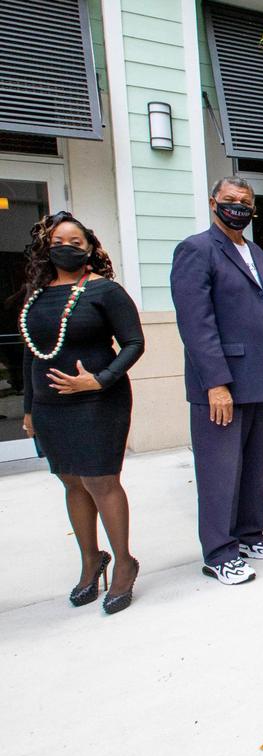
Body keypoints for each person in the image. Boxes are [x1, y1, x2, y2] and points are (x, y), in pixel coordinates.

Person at [20, 212, 143, 614]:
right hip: (50, 406)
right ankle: (92, 560)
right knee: (71, 481)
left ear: (89, 248)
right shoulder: (36, 295)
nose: (67, 247)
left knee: (101, 480)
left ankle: (124, 561)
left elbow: (133, 343)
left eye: (76, 242)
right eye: (59, 240)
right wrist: (29, 408)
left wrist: (99, 379)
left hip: (97, 400)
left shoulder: (105, 291)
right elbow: (30, 353)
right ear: (46, 246)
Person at [171, 177, 263, 585]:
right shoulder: (196, 250)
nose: (238, 206)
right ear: (213, 202)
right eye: (230, 200)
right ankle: (219, 552)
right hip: (224, 386)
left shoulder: (255, 252)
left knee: (256, 467)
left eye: (245, 201)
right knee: (221, 471)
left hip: (261, 379)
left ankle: (251, 533)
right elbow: (196, 324)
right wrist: (215, 383)